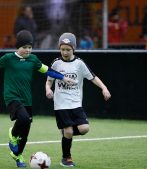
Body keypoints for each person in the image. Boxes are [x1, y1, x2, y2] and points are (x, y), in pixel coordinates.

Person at [0, 30, 74, 168]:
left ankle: (17, 155)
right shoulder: (8, 58)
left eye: (30, 47)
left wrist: (63, 77)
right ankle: (12, 134)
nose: (27, 50)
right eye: (24, 47)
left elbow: (48, 70)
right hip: (12, 96)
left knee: (25, 132)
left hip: (27, 100)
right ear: (18, 47)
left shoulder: (33, 60)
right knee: (24, 119)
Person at [45, 33, 111, 167]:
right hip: (61, 104)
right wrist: (48, 89)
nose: (65, 52)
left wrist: (104, 88)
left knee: (84, 128)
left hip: (75, 103)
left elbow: (93, 77)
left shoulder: (79, 63)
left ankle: (65, 133)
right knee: (69, 131)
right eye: (62, 49)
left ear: (74, 49)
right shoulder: (56, 63)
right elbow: (49, 81)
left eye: (68, 49)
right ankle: (66, 158)